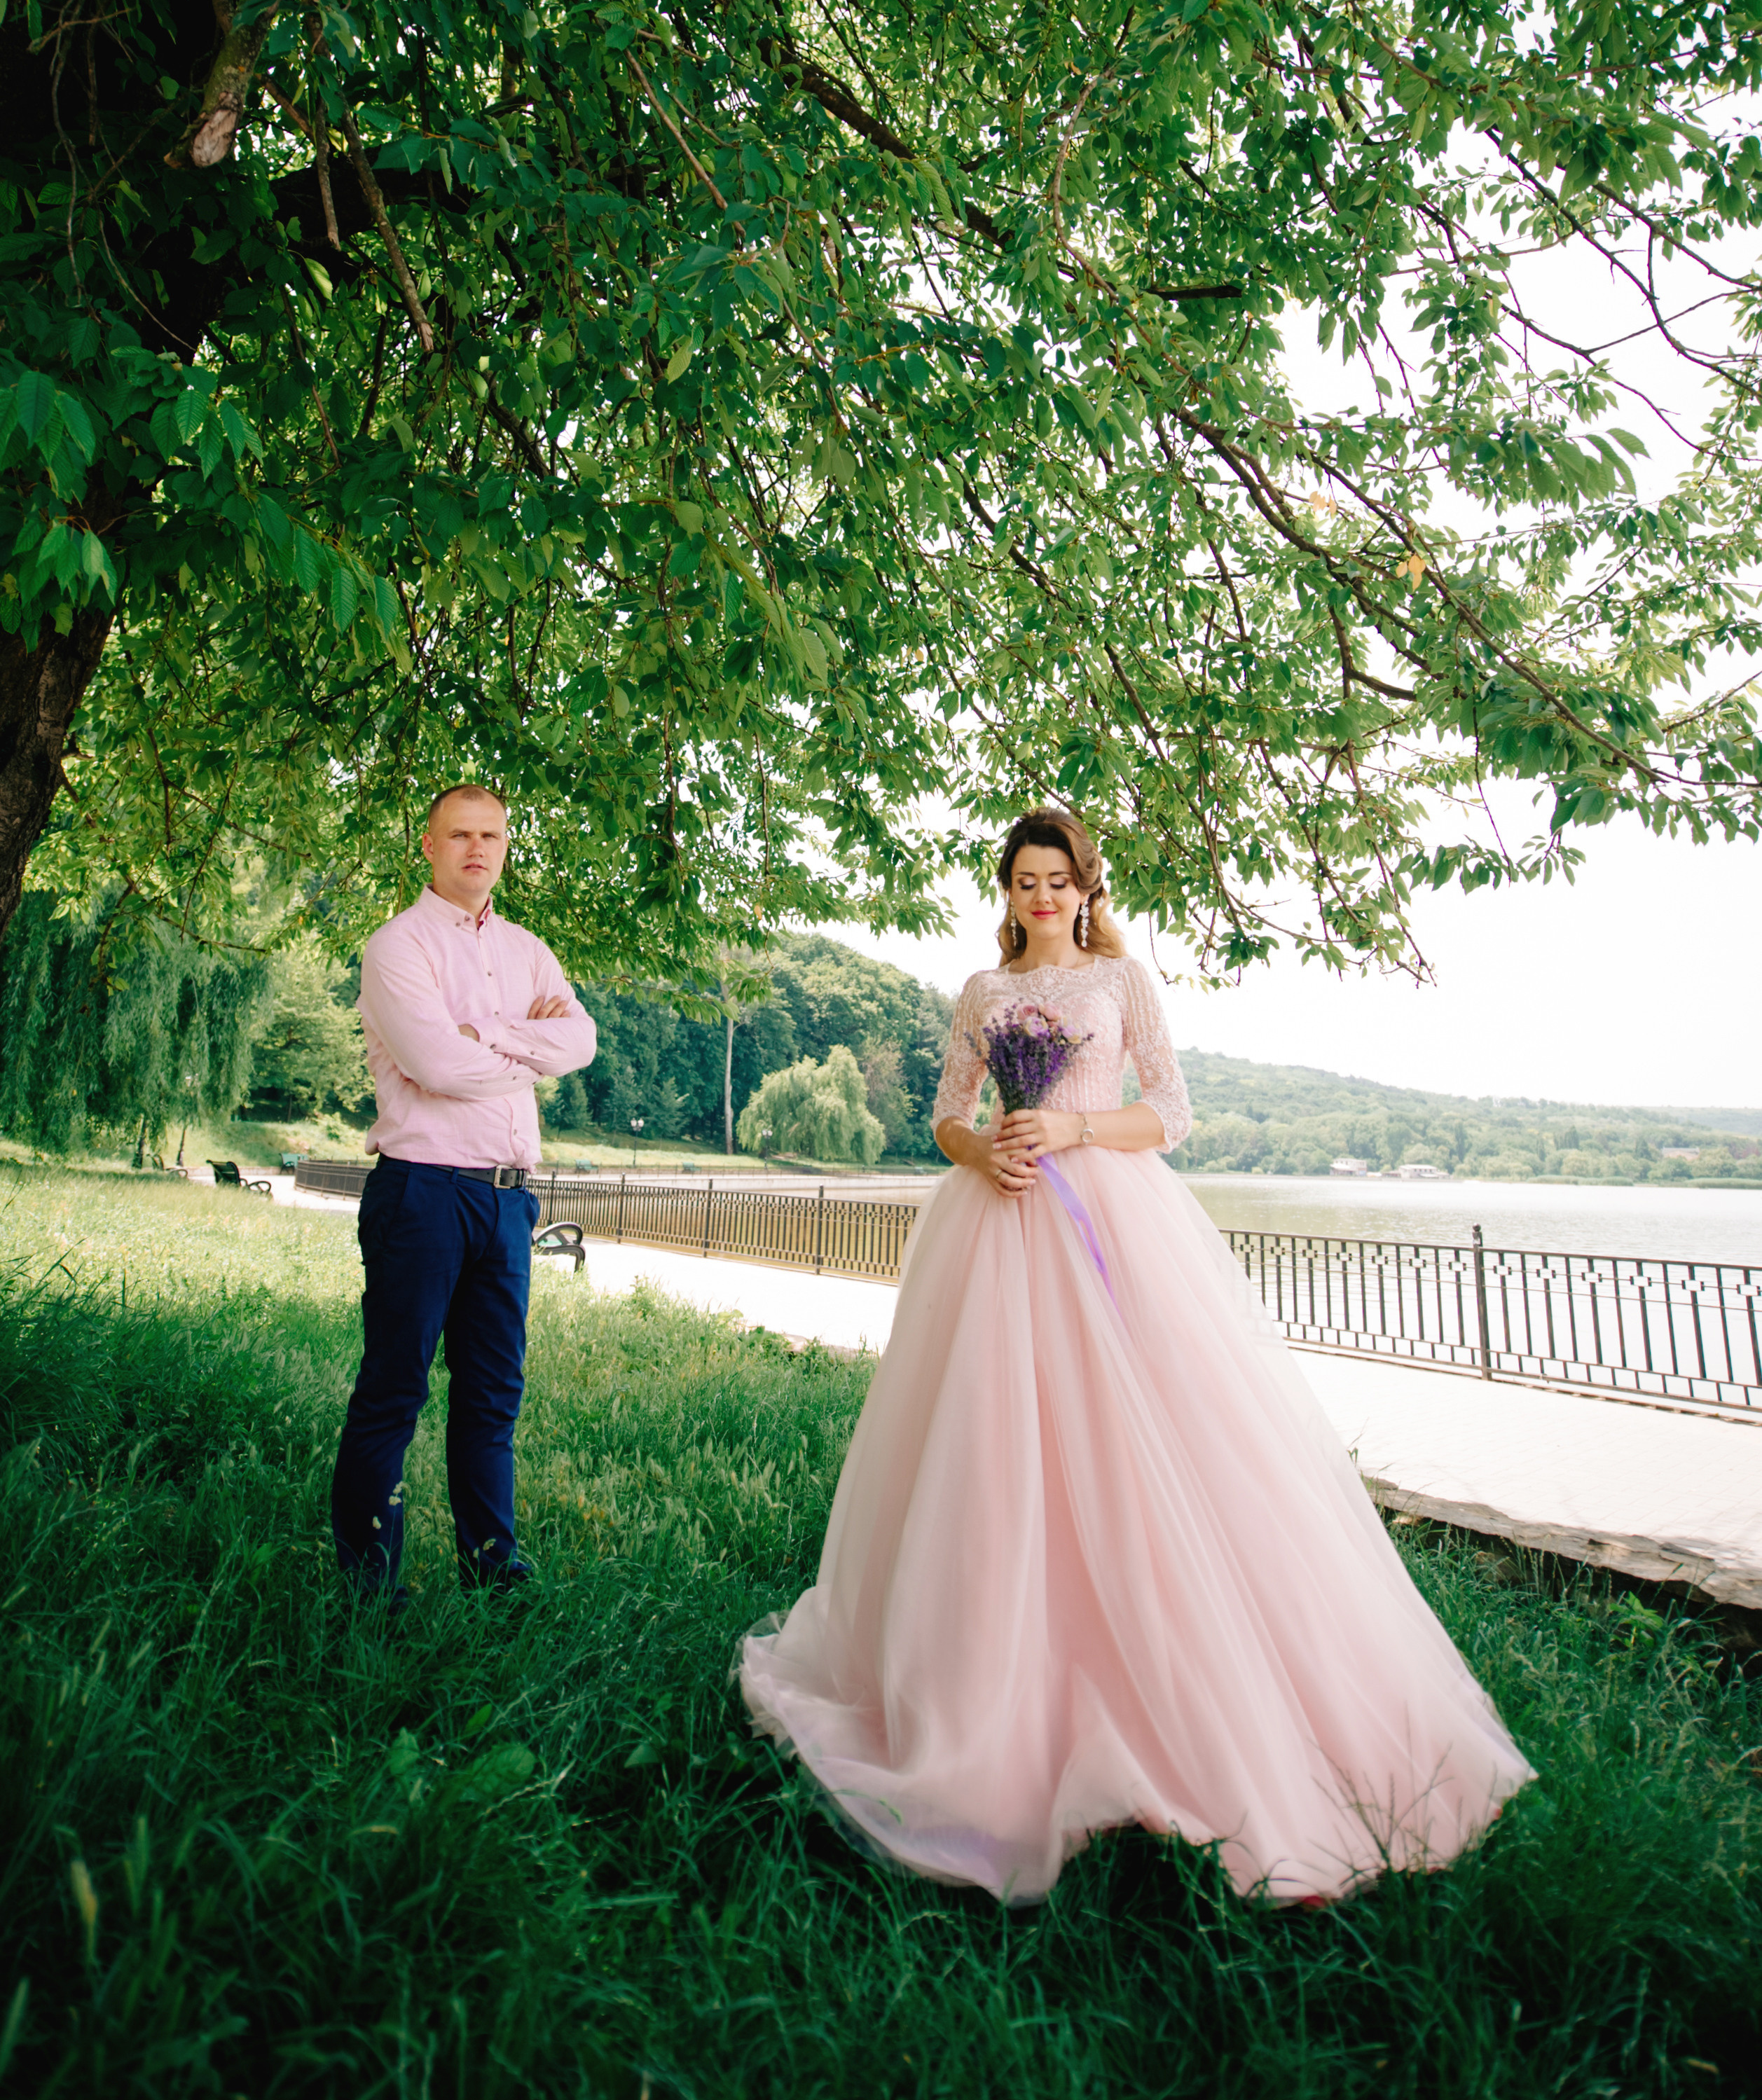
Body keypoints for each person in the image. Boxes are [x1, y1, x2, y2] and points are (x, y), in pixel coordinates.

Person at [741, 806, 1534, 1903]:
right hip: (996, 1220)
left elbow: (1170, 1111)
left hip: (1111, 1217)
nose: (1042, 897)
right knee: (994, 1442)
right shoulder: (979, 992)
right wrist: (987, 1153)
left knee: (1148, 1437)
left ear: (1084, 887)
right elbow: (944, 1117)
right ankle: (984, 1686)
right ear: (1006, 890)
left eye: (1059, 879)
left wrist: (1071, 1128)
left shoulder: (1119, 987)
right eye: (1024, 880)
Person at [331, 782, 597, 1599]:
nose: (476, 849)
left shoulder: (527, 951)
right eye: (459, 836)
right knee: (395, 1388)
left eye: (490, 835)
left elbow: (580, 1041)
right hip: (423, 1194)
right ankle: (370, 1586)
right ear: (429, 846)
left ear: (506, 846)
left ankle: (494, 1571)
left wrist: (489, 1034)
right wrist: (527, 1050)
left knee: (491, 1396)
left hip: (510, 1200)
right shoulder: (398, 948)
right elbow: (436, 1066)